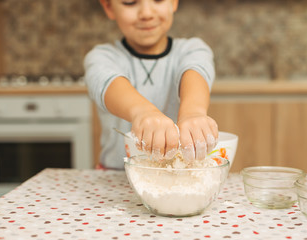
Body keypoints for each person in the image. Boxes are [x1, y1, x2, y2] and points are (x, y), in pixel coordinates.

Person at [84, 0, 218, 169]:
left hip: (180, 178)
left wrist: (193, 112)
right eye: (130, 2)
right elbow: (107, 84)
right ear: (109, 7)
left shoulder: (193, 49)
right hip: (114, 177)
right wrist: (144, 113)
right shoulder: (102, 57)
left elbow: (196, 72)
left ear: (174, 2)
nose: (146, 13)